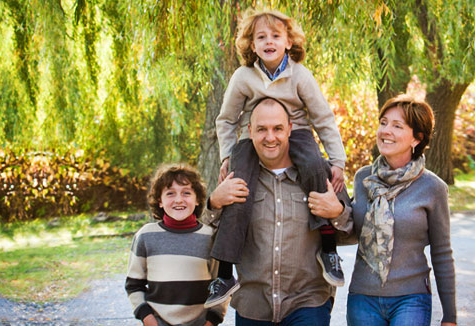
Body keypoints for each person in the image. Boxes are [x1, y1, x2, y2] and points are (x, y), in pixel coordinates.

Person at [208, 8, 348, 307]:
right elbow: (227, 120)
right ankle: (223, 272)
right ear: (251, 44)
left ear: (288, 42)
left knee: (315, 168)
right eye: (261, 37)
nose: (268, 41)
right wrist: (226, 157)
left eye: (275, 35)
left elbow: (322, 118)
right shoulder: (243, 76)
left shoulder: (300, 74)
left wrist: (337, 161)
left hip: (296, 134)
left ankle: (328, 248)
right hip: (253, 138)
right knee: (237, 189)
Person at [204, 98, 352, 325]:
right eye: (262, 129)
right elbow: (207, 234)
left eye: (277, 129)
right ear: (250, 131)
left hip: (308, 305)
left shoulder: (319, 172)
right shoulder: (235, 177)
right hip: (253, 308)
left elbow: (352, 230)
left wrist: (337, 212)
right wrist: (213, 203)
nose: (270, 137)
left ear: (290, 129)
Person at [314, 94, 457, 325]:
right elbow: (353, 234)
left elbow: (442, 254)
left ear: (417, 139)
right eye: (383, 123)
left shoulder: (433, 188)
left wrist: (450, 316)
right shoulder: (363, 178)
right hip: (363, 297)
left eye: (397, 126)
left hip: (411, 298)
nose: (385, 131)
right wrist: (337, 212)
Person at [125, 163, 228, 326]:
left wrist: (211, 321)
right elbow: (134, 284)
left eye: (186, 193)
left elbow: (222, 284)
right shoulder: (145, 236)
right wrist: (149, 320)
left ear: (197, 200)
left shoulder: (210, 237)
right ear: (160, 201)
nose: (179, 199)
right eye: (170, 193)